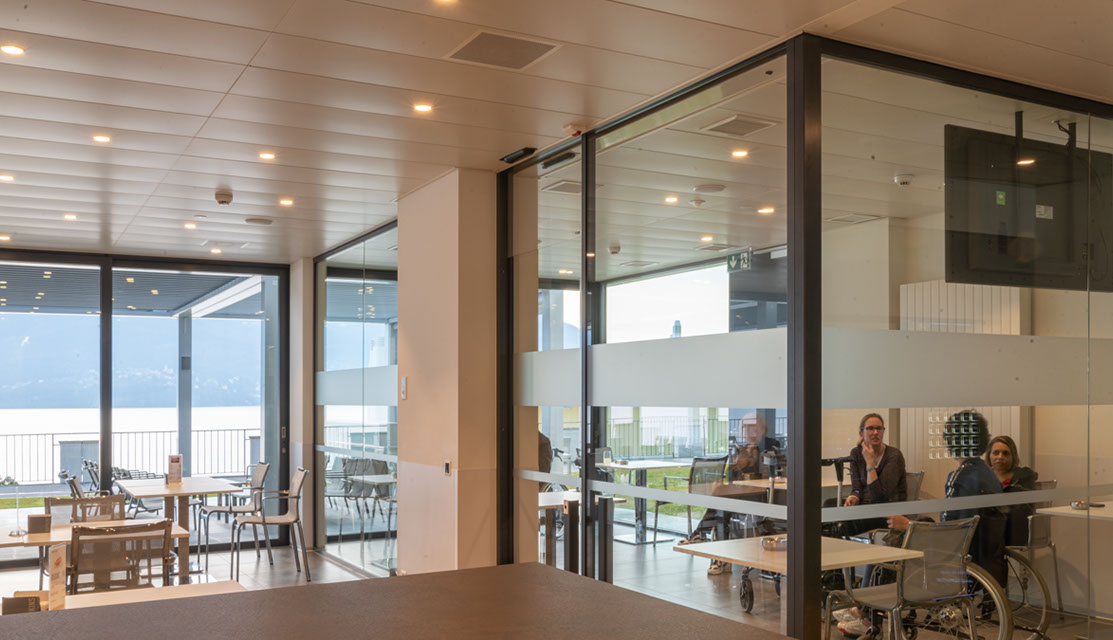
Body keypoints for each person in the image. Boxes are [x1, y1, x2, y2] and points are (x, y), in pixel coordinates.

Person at [888, 410, 1008, 588]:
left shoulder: (959, 477)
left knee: (894, 540)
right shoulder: (990, 476)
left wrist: (908, 525)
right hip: (987, 560)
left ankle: (873, 601)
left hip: (956, 562)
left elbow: (949, 532)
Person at [680, 412, 780, 576]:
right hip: (742, 494)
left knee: (722, 503)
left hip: (762, 495)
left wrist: (752, 461)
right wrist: (737, 467)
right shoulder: (741, 449)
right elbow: (733, 477)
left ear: (764, 430)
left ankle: (705, 537)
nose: (750, 432)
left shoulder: (772, 446)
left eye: (754, 428)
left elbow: (772, 473)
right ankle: (716, 549)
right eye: (746, 429)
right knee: (722, 505)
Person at [835, 413, 907, 637]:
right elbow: (858, 486)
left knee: (838, 526)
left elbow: (880, 497)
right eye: (870, 429)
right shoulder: (856, 453)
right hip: (866, 510)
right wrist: (854, 496)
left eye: (879, 428)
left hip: (887, 513)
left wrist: (870, 464)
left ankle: (861, 609)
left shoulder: (893, 455)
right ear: (861, 433)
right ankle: (839, 590)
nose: (875, 432)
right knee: (828, 514)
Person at [986, 434, 1038, 546]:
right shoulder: (982, 477)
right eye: (996, 453)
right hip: (988, 529)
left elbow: (1026, 508)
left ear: (1013, 456)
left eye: (1005, 453)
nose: (1000, 457)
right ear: (989, 455)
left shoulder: (1024, 477)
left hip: (1014, 529)